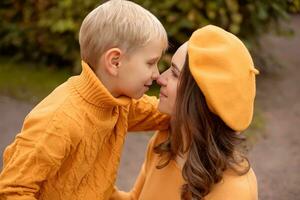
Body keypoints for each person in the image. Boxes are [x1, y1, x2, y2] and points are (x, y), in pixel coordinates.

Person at [0, 0, 169, 199]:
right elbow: (13, 190)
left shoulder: (118, 103)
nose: (157, 74)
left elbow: (166, 113)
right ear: (115, 62)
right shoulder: (59, 121)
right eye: (150, 63)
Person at [111, 25, 259, 200]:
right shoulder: (166, 140)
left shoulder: (235, 191)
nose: (160, 78)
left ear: (199, 96)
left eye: (174, 73)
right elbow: (136, 197)